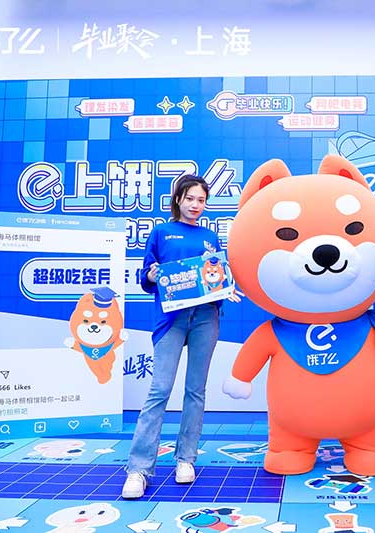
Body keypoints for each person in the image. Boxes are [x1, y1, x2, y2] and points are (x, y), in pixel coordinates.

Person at [122, 175, 239, 499]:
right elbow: (146, 276)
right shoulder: (161, 232)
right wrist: (151, 274)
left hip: (205, 318)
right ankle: (138, 469)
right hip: (171, 320)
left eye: (201, 200)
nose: (195, 205)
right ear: (178, 199)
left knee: (195, 391)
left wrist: (225, 289)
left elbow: (215, 275)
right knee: (159, 391)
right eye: (190, 199)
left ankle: (186, 459)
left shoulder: (210, 237)